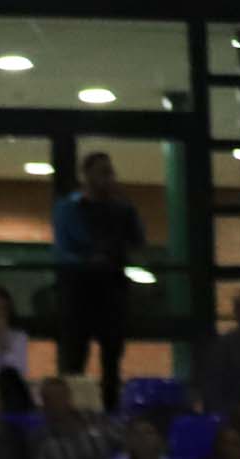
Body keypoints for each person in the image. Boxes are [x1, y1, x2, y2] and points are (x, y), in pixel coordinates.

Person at [53, 152, 145, 409]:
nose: (108, 177)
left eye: (110, 172)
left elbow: (138, 242)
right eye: (102, 172)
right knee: (75, 357)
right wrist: (87, 261)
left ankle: (110, 410)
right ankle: (73, 410)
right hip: (79, 288)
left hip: (111, 289)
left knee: (112, 359)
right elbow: (63, 249)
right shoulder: (70, 208)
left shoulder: (123, 209)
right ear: (87, 175)